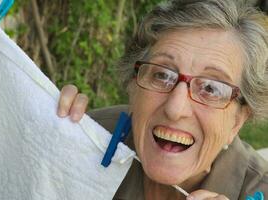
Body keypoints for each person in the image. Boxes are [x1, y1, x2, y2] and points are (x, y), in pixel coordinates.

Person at [57, 0, 268, 199]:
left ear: (237, 121)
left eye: (211, 88)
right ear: (133, 87)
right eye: (162, 75)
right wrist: (45, 133)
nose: (175, 109)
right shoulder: (82, 139)